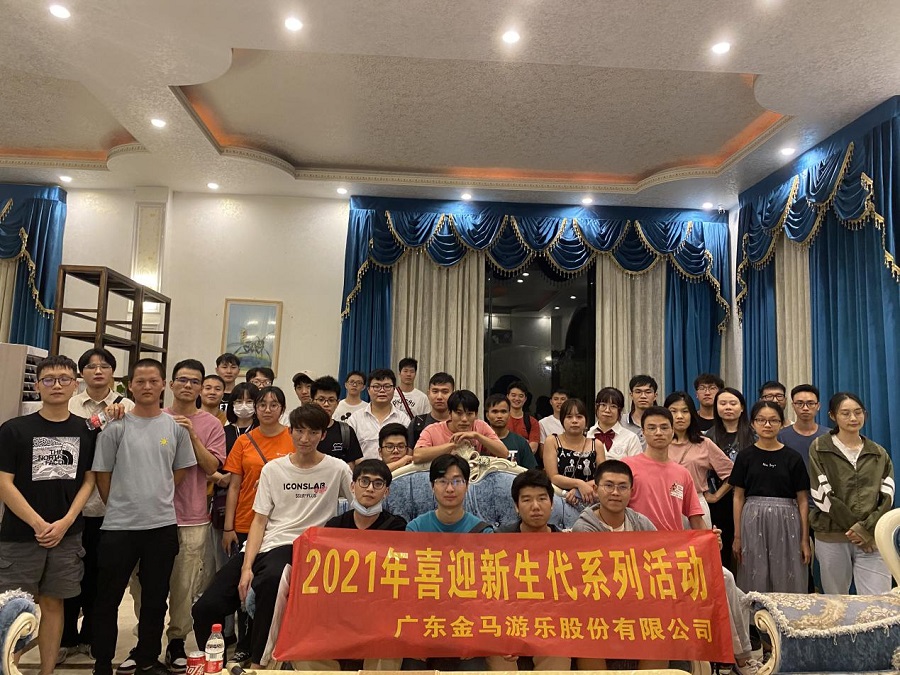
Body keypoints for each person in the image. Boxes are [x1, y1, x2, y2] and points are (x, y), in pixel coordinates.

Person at [193, 404, 353, 670]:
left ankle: (260, 663)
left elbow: (360, 504)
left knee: (271, 584)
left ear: (323, 435)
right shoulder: (273, 469)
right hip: (264, 545)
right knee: (205, 607)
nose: (305, 438)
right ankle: (216, 666)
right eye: (299, 431)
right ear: (290, 432)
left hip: (302, 547)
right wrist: (246, 567)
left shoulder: (337, 469)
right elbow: (259, 521)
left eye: (313, 432)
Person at [624, 407, 760, 675]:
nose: (658, 432)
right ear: (643, 433)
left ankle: (741, 656)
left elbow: (696, 517)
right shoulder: (629, 467)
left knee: (725, 578)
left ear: (672, 431)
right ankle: (737, 657)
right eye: (652, 428)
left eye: (664, 427)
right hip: (640, 556)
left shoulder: (681, 473)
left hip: (678, 554)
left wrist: (709, 540)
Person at [91, 358, 196, 675]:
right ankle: (102, 663)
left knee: (155, 598)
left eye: (153, 381)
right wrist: (121, 503)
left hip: (161, 526)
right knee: (107, 598)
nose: (147, 386)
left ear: (164, 385)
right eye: (140, 381)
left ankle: (148, 658)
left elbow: (179, 471)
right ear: (130, 386)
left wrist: (156, 494)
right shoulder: (115, 427)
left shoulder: (175, 428)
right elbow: (103, 475)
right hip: (118, 527)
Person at [0, 355, 99, 675]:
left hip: (67, 536)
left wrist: (66, 522)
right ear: (37, 385)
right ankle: (9, 668)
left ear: (75, 385)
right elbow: (3, 482)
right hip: (20, 535)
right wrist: (38, 523)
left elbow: (89, 480)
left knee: (55, 603)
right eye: (49, 379)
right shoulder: (14, 429)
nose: (57, 385)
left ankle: (47, 671)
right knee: (16, 608)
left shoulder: (86, 430)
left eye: (64, 379)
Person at [61, 348, 134, 659]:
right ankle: (65, 637)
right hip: (70, 505)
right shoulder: (69, 403)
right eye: (91, 367)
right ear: (82, 374)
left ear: (113, 373)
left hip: (109, 506)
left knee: (101, 575)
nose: (98, 371)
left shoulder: (128, 407)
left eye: (104, 366)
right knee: (67, 574)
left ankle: (92, 635)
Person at [154, 360, 226, 673]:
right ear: (170, 384)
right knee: (146, 585)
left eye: (194, 381)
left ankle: (177, 639)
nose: (188, 385)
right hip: (151, 516)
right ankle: (146, 639)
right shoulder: (154, 417)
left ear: (201, 388)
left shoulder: (211, 424)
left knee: (184, 586)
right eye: (182, 380)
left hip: (192, 516)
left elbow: (211, 467)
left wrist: (192, 435)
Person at [571, 460, 662, 671]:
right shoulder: (583, 528)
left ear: (631, 491)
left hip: (638, 605)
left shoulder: (641, 523)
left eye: (622, 487)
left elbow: (664, 559)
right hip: (597, 607)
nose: (615, 492)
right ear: (596, 489)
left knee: (661, 627)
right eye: (609, 486)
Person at [808, 392, 894, 595]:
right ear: (832, 416)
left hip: (872, 538)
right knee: (837, 602)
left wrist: (866, 530)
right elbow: (822, 494)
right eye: (845, 413)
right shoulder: (820, 448)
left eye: (858, 412)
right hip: (832, 535)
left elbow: (887, 496)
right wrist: (857, 529)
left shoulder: (878, 452)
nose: (853, 418)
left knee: (878, 601)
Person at [492, 470, 570, 672]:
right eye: (526, 500)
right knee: (497, 650)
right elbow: (489, 594)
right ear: (516, 506)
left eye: (542, 499)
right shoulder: (499, 541)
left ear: (552, 504)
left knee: (558, 652)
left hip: (551, 624)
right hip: (507, 622)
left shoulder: (568, 545)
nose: (535, 506)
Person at [730, 401, 810, 593]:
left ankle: (787, 612)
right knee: (754, 573)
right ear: (753, 424)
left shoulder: (793, 457)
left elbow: (803, 500)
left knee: (787, 573)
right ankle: (754, 613)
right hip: (752, 520)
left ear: (782, 423)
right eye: (761, 420)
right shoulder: (745, 456)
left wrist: (804, 539)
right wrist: (737, 536)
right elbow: (738, 497)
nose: (767, 425)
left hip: (787, 521)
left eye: (773, 420)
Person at [665, 391, 733, 529]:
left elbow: (733, 473)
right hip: (665, 504)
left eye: (685, 411)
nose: (679, 416)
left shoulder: (704, 443)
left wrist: (716, 496)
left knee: (700, 542)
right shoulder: (659, 443)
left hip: (696, 504)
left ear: (692, 414)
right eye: (673, 411)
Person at [705, 387, 755, 572]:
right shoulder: (708, 437)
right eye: (723, 403)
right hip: (719, 503)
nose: (728, 407)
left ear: (742, 408)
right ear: (716, 407)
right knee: (722, 553)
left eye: (733, 403)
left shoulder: (754, 435)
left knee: (748, 552)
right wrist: (714, 495)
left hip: (749, 499)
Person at [413, 390, 506, 463]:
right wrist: (453, 445)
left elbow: (504, 453)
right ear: (450, 413)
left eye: (469, 414)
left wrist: (477, 436)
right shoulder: (432, 430)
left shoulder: (481, 426)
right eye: (459, 413)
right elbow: (417, 456)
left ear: (476, 414)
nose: (464, 419)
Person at [406, 454, 492, 532]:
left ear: (467, 485)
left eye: (457, 481)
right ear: (432, 486)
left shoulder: (483, 533)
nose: (450, 489)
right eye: (443, 481)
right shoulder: (416, 529)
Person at [542, 398, 603, 506]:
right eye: (569, 417)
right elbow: (553, 477)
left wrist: (578, 490)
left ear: (586, 420)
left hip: (590, 500)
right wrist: (579, 484)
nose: (574, 421)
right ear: (562, 420)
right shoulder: (552, 441)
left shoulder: (596, 444)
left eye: (579, 417)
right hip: (559, 500)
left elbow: (603, 477)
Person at [325, 459, 407, 531]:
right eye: (364, 481)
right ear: (352, 486)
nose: (370, 489)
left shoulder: (396, 527)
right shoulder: (335, 526)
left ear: (386, 492)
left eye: (378, 484)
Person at [347, 369, 411, 459]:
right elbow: (350, 454)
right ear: (368, 390)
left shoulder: (403, 419)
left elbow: (408, 451)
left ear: (394, 389)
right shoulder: (355, 419)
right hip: (364, 468)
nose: (382, 390)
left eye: (387, 386)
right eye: (376, 387)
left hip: (397, 468)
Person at [310, 376, 363, 467]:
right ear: (312, 402)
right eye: (321, 400)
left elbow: (350, 468)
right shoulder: (302, 430)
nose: (326, 404)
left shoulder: (346, 431)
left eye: (331, 400)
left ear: (337, 403)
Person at [778, 384, 828, 467]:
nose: (805, 408)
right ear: (793, 406)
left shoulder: (829, 435)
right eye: (799, 403)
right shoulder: (781, 437)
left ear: (818, 406)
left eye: (810, 403)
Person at [585, 387, 641, 460]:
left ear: (620, 410)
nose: (607, 410)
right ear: (596, 407)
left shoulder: (631, 438)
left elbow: (637, 465)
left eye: (613, 406)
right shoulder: (586, 435)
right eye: (603, 405)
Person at [484, 394, 537, 468]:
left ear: (509, 414)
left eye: (503, 412)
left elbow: (531, 471)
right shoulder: (480, 442)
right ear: (487, 415)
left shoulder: (520, 442)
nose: (499, 416)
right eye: (495, 412)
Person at [408, 372, 455, 447]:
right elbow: (410, 453)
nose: (439, 397)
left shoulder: (461, 423)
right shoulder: (418, 423)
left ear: (453, 394)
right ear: (428, 394)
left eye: (445, 392)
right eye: (435, 391)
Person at [505, 381, 540, 458]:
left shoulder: (532, 422)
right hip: (503, 461)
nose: (517, 399)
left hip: (524, 462)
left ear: (525, 399)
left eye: (521, 396)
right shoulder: (501, 419)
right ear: (507, 397)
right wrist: (525, 443)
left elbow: (533, 448)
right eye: (513, 395)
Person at [622, 375, 658, 447]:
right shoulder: (621, 421)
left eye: (648, 392)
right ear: (631, 395)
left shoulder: (663, 421)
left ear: (655, 396)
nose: (643, 396)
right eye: (638, 392)